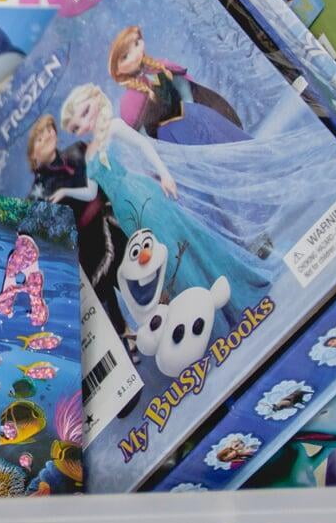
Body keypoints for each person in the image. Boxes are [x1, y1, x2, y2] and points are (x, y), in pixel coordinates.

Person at [56, 84, 272, 315]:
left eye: (85, 112)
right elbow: (90, 192)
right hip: (125, 212)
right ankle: (199, 310)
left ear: (96, 101)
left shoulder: (115, 127)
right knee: (162, 259)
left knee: (179, 243)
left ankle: (224, 292)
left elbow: (143, 145)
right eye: (77, 126)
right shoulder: (89, 154)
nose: (85, 124)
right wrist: (66, 191)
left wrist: (165, 174)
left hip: (143, 194)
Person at [27, 113, 128, 336]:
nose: (47, 135)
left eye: (48, 130)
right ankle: (123, 333)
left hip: (109, 221)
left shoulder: (77, 152)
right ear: (33, 157)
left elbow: (99, 181)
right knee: (107, 288)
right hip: (85, 248)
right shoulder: (36, 196)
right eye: (40, 137)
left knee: (131, 266)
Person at [109, 26, 249, 146]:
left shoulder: (161, 67)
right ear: (117, 69)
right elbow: (141, 136)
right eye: (125, 56)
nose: (134, 55)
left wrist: (190, 112)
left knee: (223, 140)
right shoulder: (128, 101)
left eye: (136, 43)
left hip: (195, 119)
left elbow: (185, 89)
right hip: (169, 140)